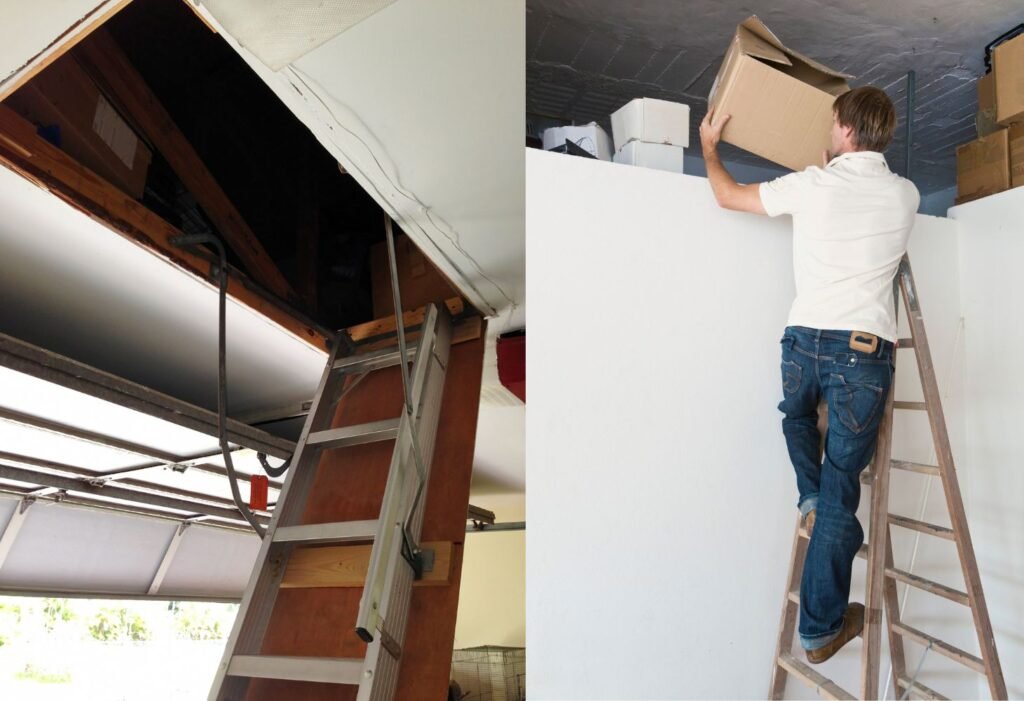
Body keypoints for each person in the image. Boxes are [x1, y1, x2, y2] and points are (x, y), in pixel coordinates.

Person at [698, 86, 920, 664]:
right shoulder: (906, 194)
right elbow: (857, 201)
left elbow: (725, 195)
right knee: (842, 481)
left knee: (796, 417)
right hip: (861, 349)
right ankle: (820, 579)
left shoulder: (811, 184)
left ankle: (813, 517)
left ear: (845, 129)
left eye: (831, 125)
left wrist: (708, 146)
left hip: (803, 341)